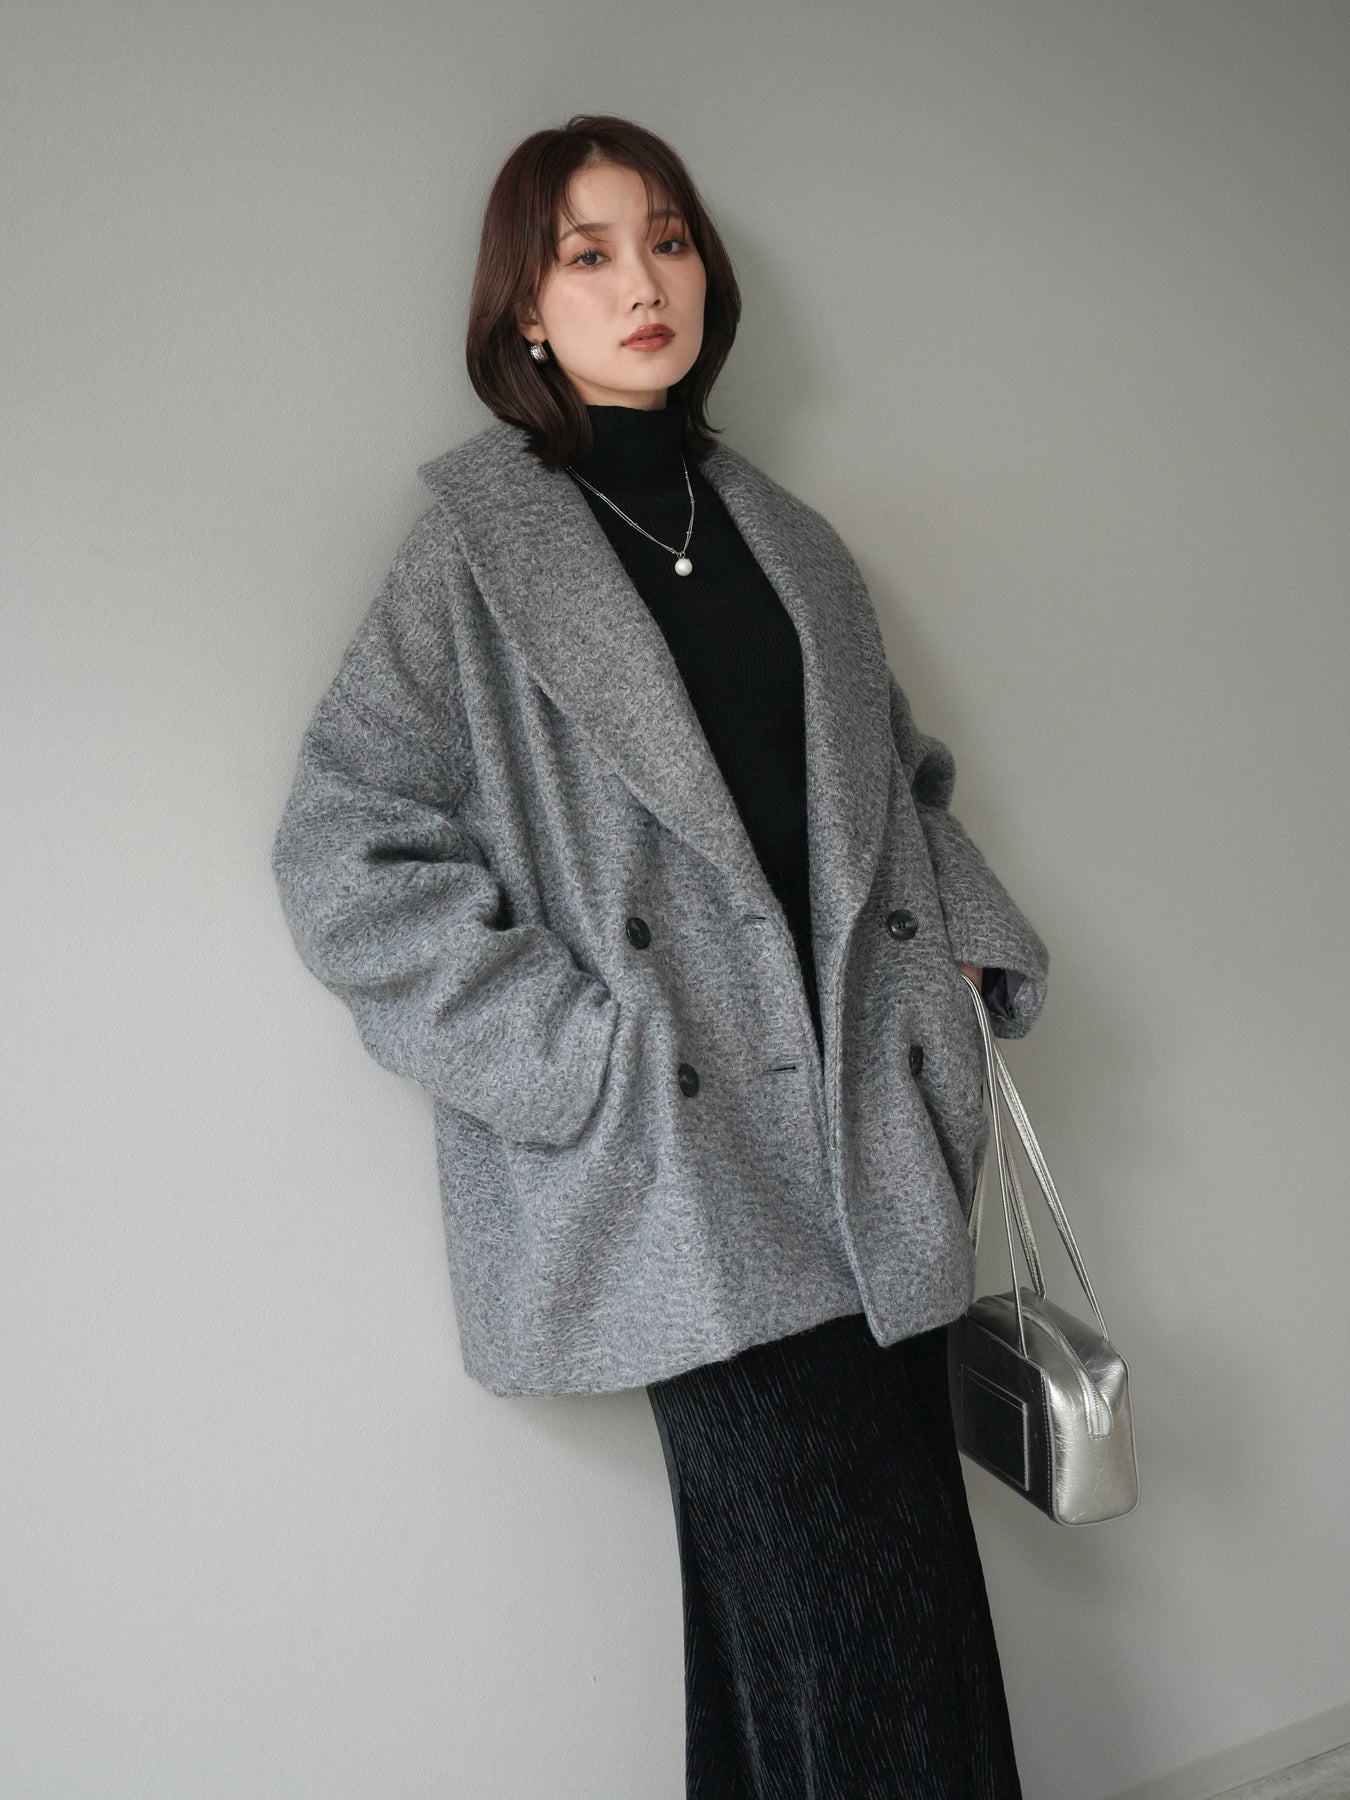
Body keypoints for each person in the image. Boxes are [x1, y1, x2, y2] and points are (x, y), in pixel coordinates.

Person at [272, 112, 1049, 1799]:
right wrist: (575, 1052)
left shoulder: (789, 538)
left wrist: (962, 959)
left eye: (669, 240)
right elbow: (343, 848)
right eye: (590, 253)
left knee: (826, 1638)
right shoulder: (476, 554)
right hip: (684, 1168)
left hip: (865, 1137)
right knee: (864, 1639)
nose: (644, 283)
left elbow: (896, 789)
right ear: (525, 311)